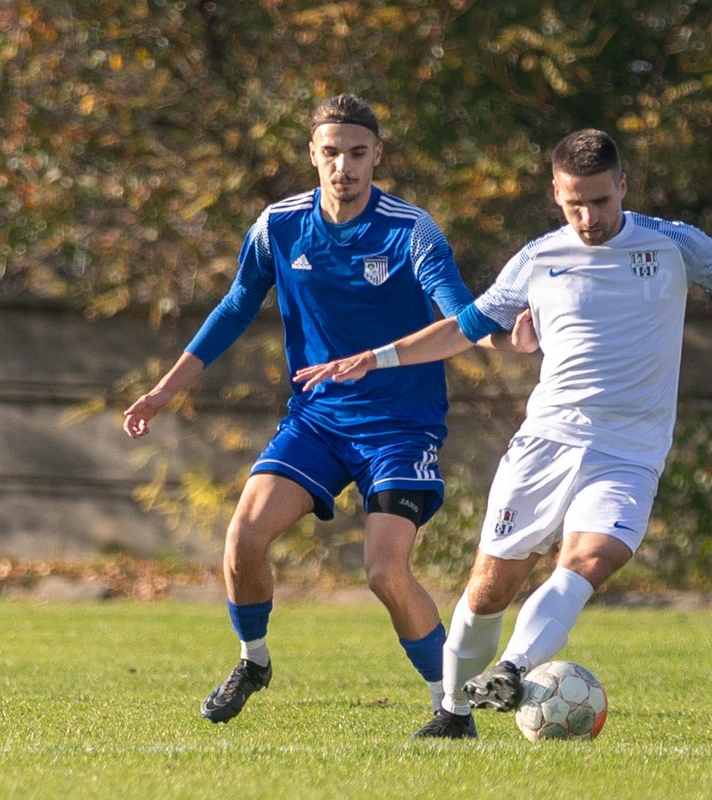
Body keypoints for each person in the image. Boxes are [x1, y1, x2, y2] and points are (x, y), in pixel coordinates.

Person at [294, 128, 712, 739]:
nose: (589, 217)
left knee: (589, 559)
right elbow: (463, 328)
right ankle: (454, 711)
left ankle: (513, 668)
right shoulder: (538, 259)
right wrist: (375, 357)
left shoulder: (675, 245)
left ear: (623, 186)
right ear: (556, 194)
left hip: (630, 452)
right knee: (491, 588)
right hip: (545, 444)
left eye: (601, 201)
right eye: (575, 204)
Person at [122, 94, 532, 725]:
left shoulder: (410, 231)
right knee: (242, 541)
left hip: (399, 428)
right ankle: (253, 660)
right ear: (313, 154)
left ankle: (451, 709)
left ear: (378, 156)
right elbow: (234, 308)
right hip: (316, 421)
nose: (345, 166)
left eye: (358, 153)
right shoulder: (279, 225)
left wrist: (505, 332)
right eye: (332, 152)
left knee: (385, 573)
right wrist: (167, 389)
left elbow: (460, 314)